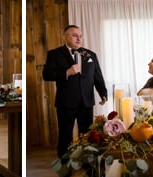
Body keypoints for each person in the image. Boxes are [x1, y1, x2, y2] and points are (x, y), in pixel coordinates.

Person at [42, 25, 108, 160]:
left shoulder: (90, 55)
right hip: (66, 103)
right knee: (65, 136)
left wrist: (103, 93)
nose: (79, 38)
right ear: (65, 37)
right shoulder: (55, 54)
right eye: (74, 35)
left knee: (88, 135)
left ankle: (87, 162)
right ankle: (64, 165)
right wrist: (67, 72)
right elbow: (47, 74)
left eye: (80, 36)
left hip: (86, 102)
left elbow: (97, 76)